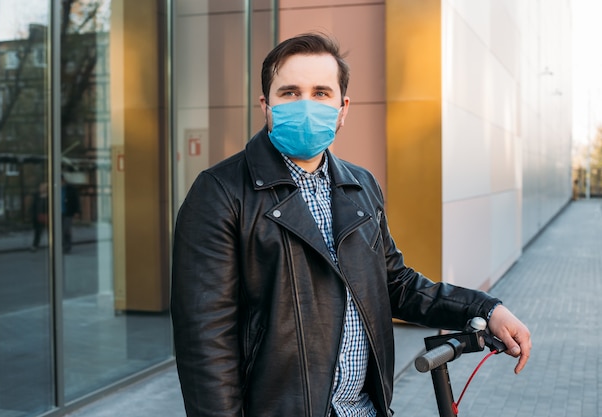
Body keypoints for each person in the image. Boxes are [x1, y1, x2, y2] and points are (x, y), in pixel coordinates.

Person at [171, 33, 531, 417]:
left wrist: (484, 308)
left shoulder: (360, 186)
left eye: (321, 93)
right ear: (266, 105)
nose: (306, 104)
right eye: (290, 92)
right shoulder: (220, 193)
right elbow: (205, 343)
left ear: (343, 108)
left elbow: (395, 284)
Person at [61, 176, 80, 253]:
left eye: (61, 181)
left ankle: (67, 247)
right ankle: (62, 246)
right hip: (58, 213)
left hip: (68, 212)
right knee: (59, 231)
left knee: (66, 230)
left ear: (63, 181)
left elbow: (76, 200)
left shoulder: (70, 189)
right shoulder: (54, 189)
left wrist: (77, 211)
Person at [31, 182, 48, 251]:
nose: (42, 188)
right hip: (38, 216)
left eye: (44, 187)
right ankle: (35, 245)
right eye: (41, 187)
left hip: (47, 216)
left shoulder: (49, 196)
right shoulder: (37, 196)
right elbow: (33, 206)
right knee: (37, 232)